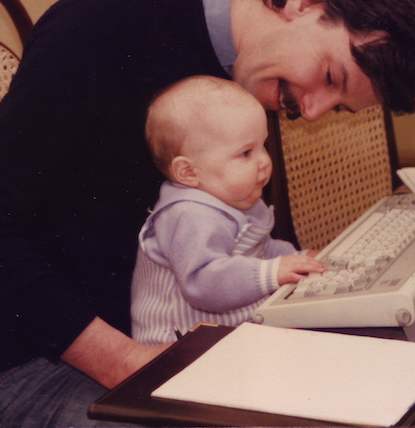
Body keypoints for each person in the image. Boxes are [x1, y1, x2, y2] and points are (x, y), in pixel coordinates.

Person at [0, 0, 415, 427]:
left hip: (182, 342)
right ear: (305, 0)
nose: (314, 111)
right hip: (49, 365)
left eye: (338, 105)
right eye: (328, 75)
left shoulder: (251, 74)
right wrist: (125, 361)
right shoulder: (106, 23)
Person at [131, 76, 324, 345]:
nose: (264, 162)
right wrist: (273, 272)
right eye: (246, 153)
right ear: (188, 172)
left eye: (263, 146)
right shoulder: (188, 215)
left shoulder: (237, 196)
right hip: (177, 351)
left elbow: (260, 250)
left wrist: (299, 259)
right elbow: (204, 283)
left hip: (227, 338)